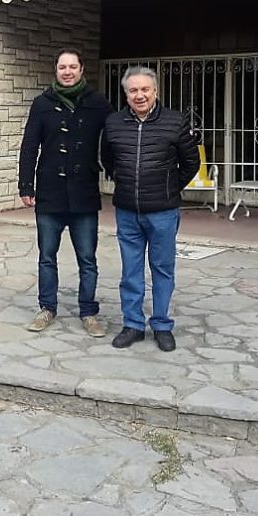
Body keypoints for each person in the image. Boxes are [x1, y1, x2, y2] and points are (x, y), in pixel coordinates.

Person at [101, 66, 200, 352]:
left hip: (163, 212)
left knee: (162, 269)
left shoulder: (174, 121)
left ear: (155, 91)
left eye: (145, 89)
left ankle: (161, 325)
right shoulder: (114, 122)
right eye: (133, 90)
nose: (140, 95)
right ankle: (132, 324)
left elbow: (191, 163)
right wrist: (122, 181)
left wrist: (170, 188)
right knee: (130, 271)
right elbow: (107, 159)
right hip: (127, 211)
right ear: (126, 93)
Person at [18, 49, 113, 337]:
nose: (68, 71)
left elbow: (112, 138)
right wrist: (26, 185)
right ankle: (47, 307)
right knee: (47, 256)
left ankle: (88, 312)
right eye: (63, 67)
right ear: (56, 70)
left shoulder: (98, 103)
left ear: (82, 70)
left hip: (84, 194)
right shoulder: (41, 104)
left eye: (73, 66)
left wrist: (111, 168)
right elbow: (29, 145)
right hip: (50, 194)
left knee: (88, 258)